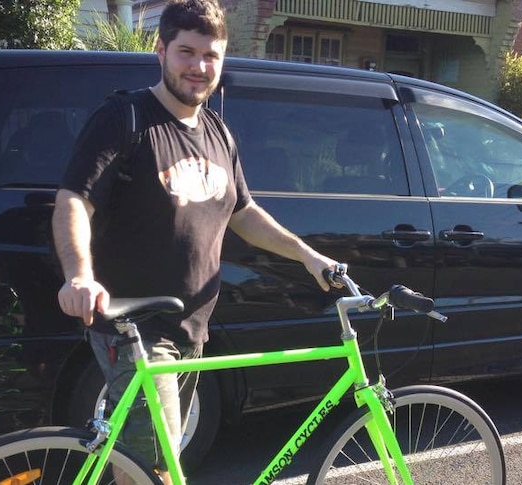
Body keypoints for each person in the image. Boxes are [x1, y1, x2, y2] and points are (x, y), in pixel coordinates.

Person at [52, 0, 338, 481]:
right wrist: (79, 274)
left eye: (212, 56)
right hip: (138, 328)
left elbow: (243, 213)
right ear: (160, 50)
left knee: (156, 460)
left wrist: (308, 256)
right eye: (187, 52)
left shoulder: (218, 133)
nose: (200, 67)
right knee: (154, 468)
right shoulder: (126, 117)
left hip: (191, 328)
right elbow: (74, 200)